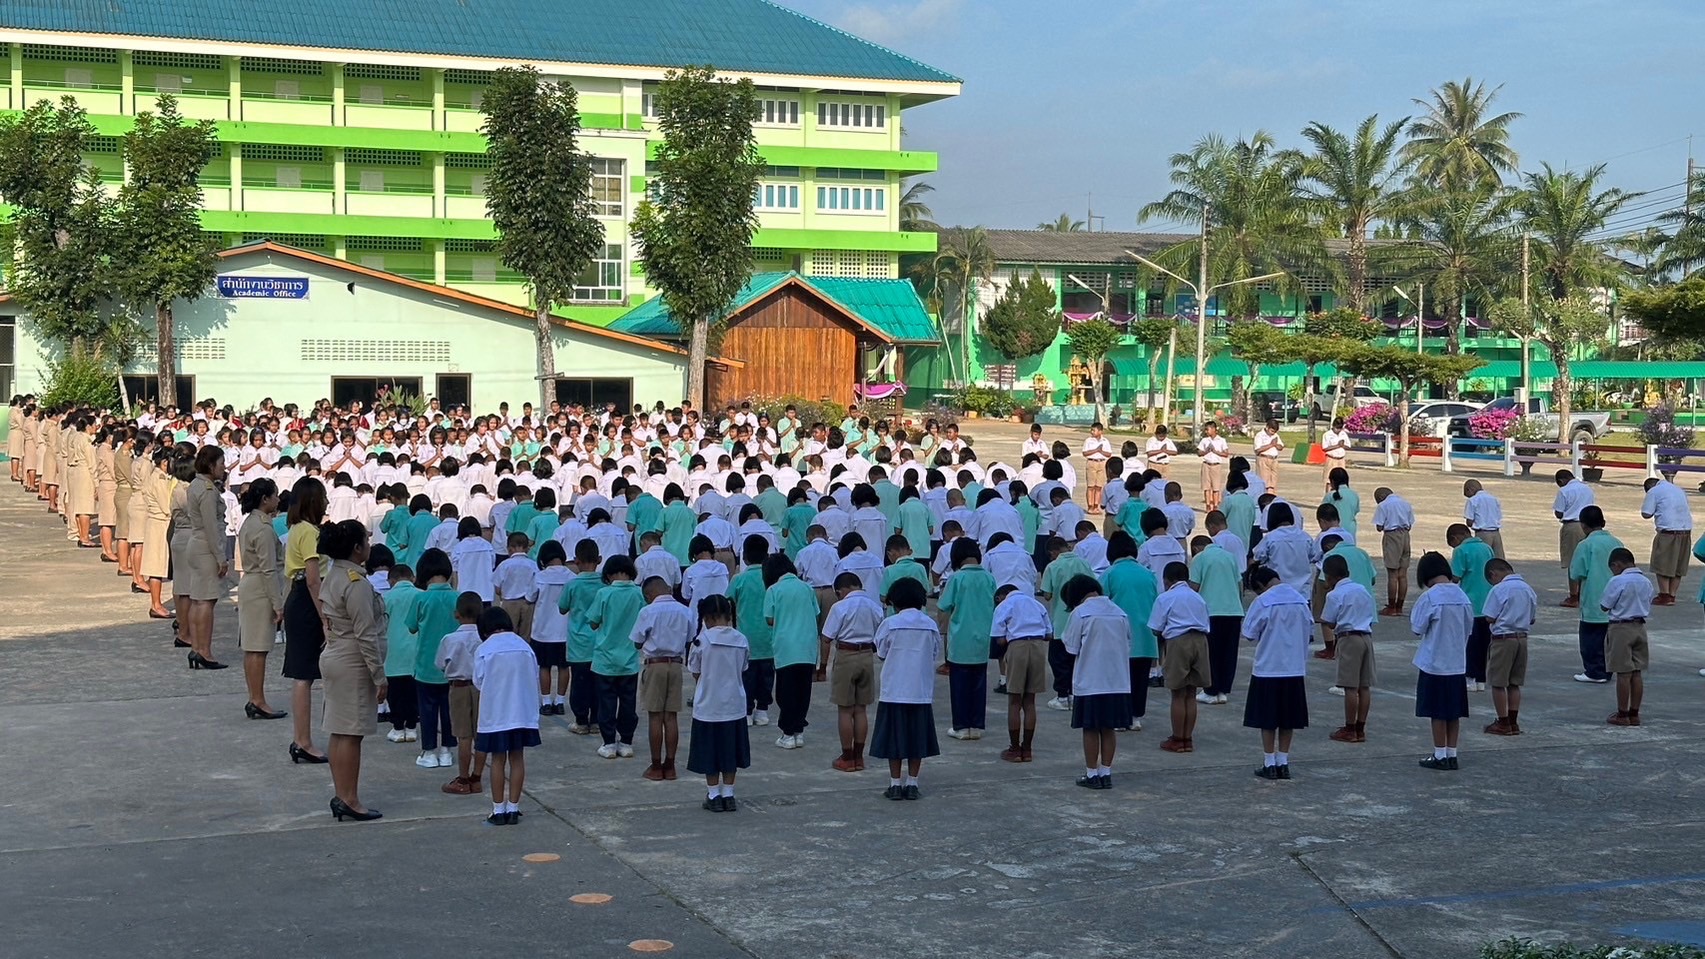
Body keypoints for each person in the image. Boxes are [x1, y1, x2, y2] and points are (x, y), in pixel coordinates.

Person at [318, 519, 387, 822]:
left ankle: (341, 793)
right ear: (357, 548)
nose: (369, 546)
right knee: (351, 734)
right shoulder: (355, 583)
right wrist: (379, 676)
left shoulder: (334, 574)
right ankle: (350, 798)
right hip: (353, 661)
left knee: (340, 731)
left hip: (336, 654)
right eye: (366, 542)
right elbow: (365, 634)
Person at [868, 577, 942, 801]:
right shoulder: (930, 625)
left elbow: (881, 652)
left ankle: (894, 784)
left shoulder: (890, 623)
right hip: (920, 690)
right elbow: (934, 653)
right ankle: (912, 783)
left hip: (894, 688)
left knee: (894, 738)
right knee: (917, 738)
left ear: (895, 601)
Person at [472, 606, 542, 825]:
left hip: (496, 714)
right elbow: (535, 675)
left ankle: (498, 809)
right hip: (522, 712)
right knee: (517, 758)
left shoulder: (485, 649)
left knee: (497, 760)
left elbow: (478, 681)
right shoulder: (525, 647)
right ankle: (513, 807)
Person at [1240, 566, 1311, 780]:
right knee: (1288, 718)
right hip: (1294, 667)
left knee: (1267, 718)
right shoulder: (1300, 600)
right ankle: (1283, 761)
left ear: (1260, 586)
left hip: (1268, 667)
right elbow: (1309, 631)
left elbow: (1249, 633)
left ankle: (1269, 761)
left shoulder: (1263, 601)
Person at [687, 594, 752, 812]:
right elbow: (743, 668)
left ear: (707, 617)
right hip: (735, 704)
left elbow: (695, 671)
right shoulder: (741, 639)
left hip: (708, 705)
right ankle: (729, 793)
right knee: (730, 750)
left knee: (710, 751)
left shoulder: (701, 641)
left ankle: (713, 794)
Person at [282, 477, 330, 764]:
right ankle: (303, 740)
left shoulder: (296, 528)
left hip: (297, 598)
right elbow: (313, 579)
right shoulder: (310, 532)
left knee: (302, 674)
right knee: (304, 674)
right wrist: (324, 617)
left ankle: (301, 738)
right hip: (308, 601)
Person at [1411, 552, 1471, 771]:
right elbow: (1469, 628)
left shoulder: (1430, 597)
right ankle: (1452, 753)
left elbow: (1417, 628)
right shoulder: (1463, 596)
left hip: (1434, 662)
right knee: (1453, 711)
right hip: (1457, 662)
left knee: (1437, 711)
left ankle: (1439, 754)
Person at [631, 576, 694, 781]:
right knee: (671, 716)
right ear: (667, 588)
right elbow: (689, 638)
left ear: (648, 595)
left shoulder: (648, 611)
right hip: (675, 664)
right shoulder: (685, 611)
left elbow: (637, 641)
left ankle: (656, 766)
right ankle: (671, 765)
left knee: (655, 716)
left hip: (655, 664)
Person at [820, 570, 883, 769]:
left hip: (846, 655)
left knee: (845, 709)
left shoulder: (840, 607)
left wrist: (822, 666)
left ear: (841, 590)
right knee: (861, 709)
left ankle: (847, 757)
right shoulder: (874, 606)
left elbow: (827, 637)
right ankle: (859, 756)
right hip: (867, 655)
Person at [236, 478, 287, 720]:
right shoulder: (263, 528)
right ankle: (257, 699)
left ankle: (254, 697)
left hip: (252, 585)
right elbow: (268, 569)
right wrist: (278, 604)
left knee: (252, 648)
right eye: (274, 495)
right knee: (258, 648)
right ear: (265, 499)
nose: (277, 499)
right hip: (260, 588)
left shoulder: (251, 522)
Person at [937, 538, 996, 741]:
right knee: (979, 683)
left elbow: (944, 606)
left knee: (960, 685)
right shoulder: (989, 578)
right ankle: (976, 725)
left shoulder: (956, 578)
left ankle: (961, 726)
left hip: (961, 639)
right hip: (983, 638)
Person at [1149, 561, 1211, 753]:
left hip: (1178, 641)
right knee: (1191, 692)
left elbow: (1156, 628)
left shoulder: (1165, 598)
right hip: (1200, 641)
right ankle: (1187, 738)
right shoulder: (1198, 597)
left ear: (1166, 580)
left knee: (1177, 693)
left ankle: (1177, 738)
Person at [587, 555, 645, 759]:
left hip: (605, 659)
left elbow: (593, 622)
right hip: (629, 659)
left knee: (607, 702)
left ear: (609, 574)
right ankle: (626, 742)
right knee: (628, 702)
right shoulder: (639, 593)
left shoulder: (604, 593)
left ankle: (609, 742)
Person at [763, 554, 822, 750]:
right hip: (807, 647)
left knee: (785, 692)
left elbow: (769, 619)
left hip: (786, 647)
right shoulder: (806, 588)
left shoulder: (774, 590)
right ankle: (798, 731)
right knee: (803, 691)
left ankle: (787, 733)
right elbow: (816, 613)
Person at [409, 549, 460, 770]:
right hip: (453, 666)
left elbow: (411, 627)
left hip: (426, 665)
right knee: (449, 710)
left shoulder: (420, 598)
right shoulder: (458, 597)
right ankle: (447, 750)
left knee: (427, 710)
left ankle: (429, 751)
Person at [1320, 554, 1376, 744]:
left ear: (1329, 577)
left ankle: (1350, 728)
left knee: (1350, 687)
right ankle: (1360, 728)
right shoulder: (1361, 589)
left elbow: (1329, 621)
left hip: (1348, 638)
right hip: (1366, 636)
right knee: (1364, 686)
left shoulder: (1334, 595)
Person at [183, 445, 230, 669]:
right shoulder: (208, 490)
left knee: (197, 600)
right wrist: (221, 557)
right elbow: (211, 527)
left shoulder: (196, 484)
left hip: (196, 544)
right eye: (221, 463)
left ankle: (196, 647)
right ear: (211, 465)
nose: (223, 468)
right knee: (206, 602)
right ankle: (205, 651)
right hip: (206, 548)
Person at [992, 582, 1051, 763]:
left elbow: (999, 640)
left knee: (1014, 701)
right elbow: (1049, 635)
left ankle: (1015, 749)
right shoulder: (1037, 604)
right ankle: (1027, 749)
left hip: (1017, 647)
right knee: (1030, 701)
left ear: (1001, 596)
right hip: (1038, 648)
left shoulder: (1004, 606)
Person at [438, 591, 489, 796]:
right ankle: (477, 778)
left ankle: (463, 778)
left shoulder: (449, 639)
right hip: (481, 687)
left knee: (464, 736)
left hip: (458, 687)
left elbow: (440, 664)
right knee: (481, 734)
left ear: (456, 614)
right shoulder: (484, 638)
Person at [1567, 505, 1623, 685]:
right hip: (1616, 595)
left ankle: (1595, 671)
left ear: (1583, 525)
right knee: (1609, 638)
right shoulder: (1616, 542)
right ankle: (1607, 670)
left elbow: (1576, 572)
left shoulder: (1585, 545)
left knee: (1591, 637)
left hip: (1594, 595)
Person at [1481, 558, 1536, 736]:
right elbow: (1532, 619)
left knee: (1498, 683)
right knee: (1514, 683)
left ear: (1493, 574)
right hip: (1522, 639)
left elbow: (1489, 617)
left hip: (1503, 639)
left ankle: (1503, 722)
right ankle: (1513, 721)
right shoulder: (1528, 589)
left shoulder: (1499, 589)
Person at [557, 539, 607, 734]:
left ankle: (581, 720)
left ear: (576, 560)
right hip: (600, 641)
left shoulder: (572, 584)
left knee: (579, 683)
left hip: (578, 642)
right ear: (599, 559)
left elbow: (562, 608)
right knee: (599, 683)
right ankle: (596, 720)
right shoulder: (604, 583)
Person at [1600, 548, 1654, 727]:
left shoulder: (1618, 581)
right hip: (1640, 627)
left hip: (1621, 628)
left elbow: (1605, 605)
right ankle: (1634, 713)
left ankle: (1622, 714)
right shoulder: (1646, 581)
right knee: (1637, 672)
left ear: (1617, 565)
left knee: (1623, 673)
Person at [1189, 533, 1243, 706]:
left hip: (1211, 611)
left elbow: (1194, 586)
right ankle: (1223, 691)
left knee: (1211, 652)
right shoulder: (1230, 557)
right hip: (1233, 610)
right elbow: (1239, 583)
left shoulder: (1200, 558)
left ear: (1196, 548)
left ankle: (1210, 690)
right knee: (1229, 652)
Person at [728, 536, 775, 726]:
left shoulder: (739, 579)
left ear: (745, 557)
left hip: (745, 638)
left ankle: (746, 710)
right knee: (766, 676)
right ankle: (762, 709)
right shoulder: (771, 579)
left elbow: (728, 600)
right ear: (767, 555)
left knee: (746, 676)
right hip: (768, 638)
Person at [529, 540, 573, 716]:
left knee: (544, 666)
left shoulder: (539, 577)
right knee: (564, 667)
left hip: (542, 630)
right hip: (565, 631)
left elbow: (529, 597)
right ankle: (560, 701)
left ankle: (546, 701)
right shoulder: (572, 577)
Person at [381, 563, 421, 743]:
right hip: (416, 653)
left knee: (395, 694)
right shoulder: (421, 595)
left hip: (393, 653)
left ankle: (397, 728)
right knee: (413, 694)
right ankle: (411, 727)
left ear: (391, 580)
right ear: (413, 578)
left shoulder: (386, 598)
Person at [1639, 475, 1693, 606]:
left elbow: (1646, 513)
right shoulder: (1678, 489)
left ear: (1648, 488)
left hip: (1668, 532)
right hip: (1686, 531)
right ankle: (1672, 595)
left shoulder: (1654, 491)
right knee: (1678, 566)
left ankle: (1664, 594)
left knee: (1661, 563)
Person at [1553, 469, 1595, 607]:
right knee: (1585, 560)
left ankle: (1574, 596)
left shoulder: (1564, 491)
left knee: (1572, 561)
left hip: (1572, 525)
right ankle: (1583, 593)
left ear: (1561, 481)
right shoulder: (1587, 489)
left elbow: (1559, 512)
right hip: (1587, 525)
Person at [1371, 487, 1414, 616]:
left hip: (1392, 536)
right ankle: (1400, 607)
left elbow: (1379, 527)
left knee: (1392, 574)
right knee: (1403, 574)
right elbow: (1410, 524)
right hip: (1405, 535)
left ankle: (1391, 607)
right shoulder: (1405, 503)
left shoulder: (1383, 506)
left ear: (1380, 498)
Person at [1462, 480, 1505, 560]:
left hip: (1482, 533)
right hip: (1496, 533)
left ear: (1470, 489)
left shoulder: (1473, 500)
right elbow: (1499, 516)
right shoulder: (1494, 499)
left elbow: (1469, 522)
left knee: (1483, 559)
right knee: (1499, 559)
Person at [1198, 421, 1229, 511]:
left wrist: (1215, 451)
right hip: (1206, 464)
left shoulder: (1221, 440)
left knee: (1216, 486)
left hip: (1216, 465)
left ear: (1213, 429)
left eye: (1207, 429)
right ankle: (1208, 505)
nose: (1206, 431)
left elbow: (1226, 454)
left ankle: (1215, 505)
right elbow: (1199, 453)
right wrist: (1206, 451)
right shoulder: (1205, 440)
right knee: (1206, 486)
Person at [1322, 467, 1360, 540]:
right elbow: (1356, 510)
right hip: (1350, 530)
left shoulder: (1330, 495)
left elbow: (1323, 513)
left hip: (1333, 531)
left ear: (1332, 481)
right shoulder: (1354, 494)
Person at [1082, 422, 1112, 512]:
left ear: (1100, 431)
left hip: (1101, 463)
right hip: (1092, 462)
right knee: (1091, 486)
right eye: (1091, 430)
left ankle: (1096, 506)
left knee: (1099, 486)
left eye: (1094, 430)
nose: (1092, 432)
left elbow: (1108, 454)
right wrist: (1096, 450)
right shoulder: (1088, 440)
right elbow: (1085, 453)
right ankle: (1090, 506)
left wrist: (1101, 451)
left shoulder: (1105, 441)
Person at [1253, 419, 1284, 493]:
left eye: (1275, 432)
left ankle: (1272, 494)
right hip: (1264, 458)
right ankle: (1265, 495)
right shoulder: (1260, 435)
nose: (1273, 433)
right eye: (1272, 431)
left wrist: (1276, 445)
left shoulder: (1275, 436)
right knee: (1264, 481)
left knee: (1273, 481)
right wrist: (1271, 445)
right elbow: (1257, 450)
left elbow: (1281, 447)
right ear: (1267, 427)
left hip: (1274, 459)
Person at [1320, 417, 1350, 488]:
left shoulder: (1343, 434)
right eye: (1337, 428)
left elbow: (1348, 446)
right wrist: (1337, 445)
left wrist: (1343, 445)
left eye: (1340, 428)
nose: (1338, 430)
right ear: (1333, 426)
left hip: (1341, 459)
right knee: (1329, 480)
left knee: (1341, 479)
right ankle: (1328, 493)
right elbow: (1325, 448)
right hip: (1331, 459)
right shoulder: (1327, 435)